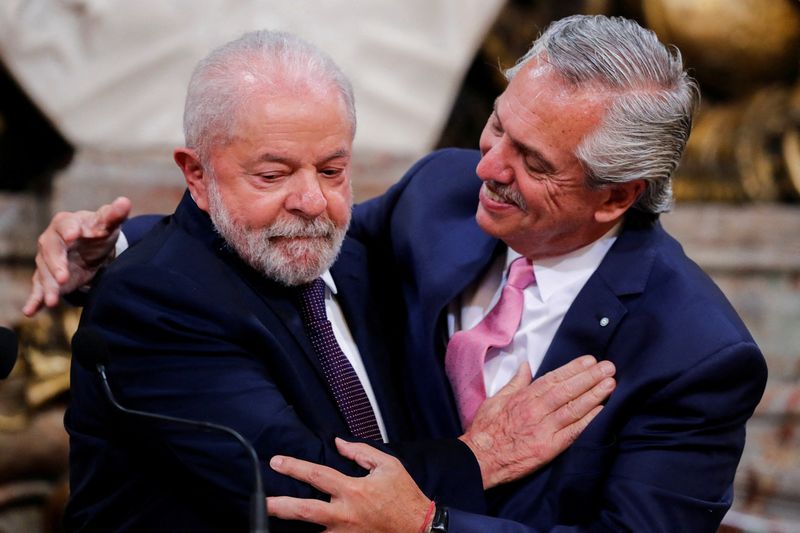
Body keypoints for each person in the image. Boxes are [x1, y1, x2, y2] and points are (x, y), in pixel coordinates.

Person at [24, 14, 765, 533]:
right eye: (499, 124)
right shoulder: (443, 193)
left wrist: (429, 523)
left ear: (615, 197)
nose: (489, 166)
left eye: (532, 162)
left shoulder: (697, 354)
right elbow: (305, 234)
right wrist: (123, 249)